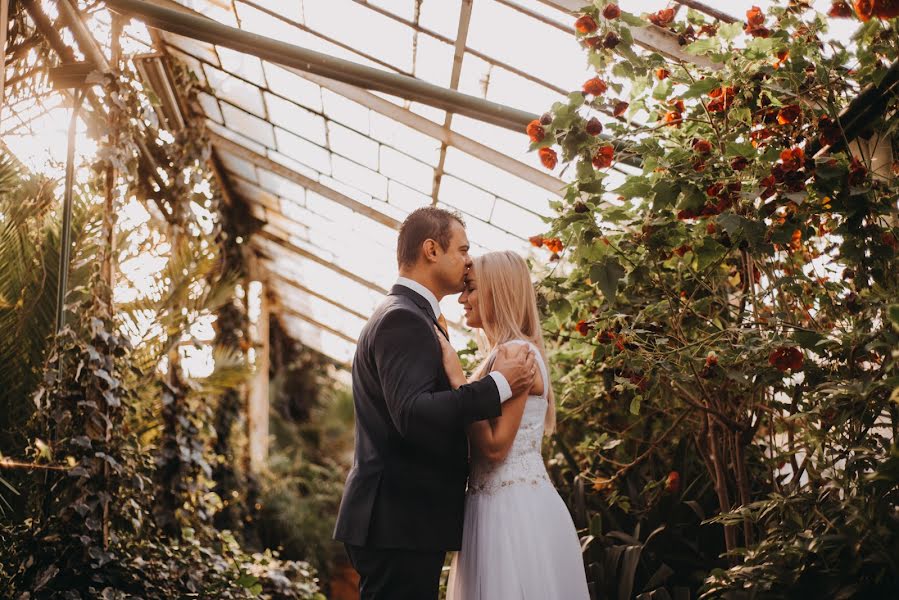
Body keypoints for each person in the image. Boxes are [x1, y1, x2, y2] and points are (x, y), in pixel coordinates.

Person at [333, 207, 537, 600]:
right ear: (431, 250)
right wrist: (497, 385)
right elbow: (413, 413)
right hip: (398, 521)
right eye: (462, 250)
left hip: (402, 520)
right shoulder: (403, 319)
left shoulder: (410, 315)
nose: (467, 262)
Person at [441, 250, 590, 600]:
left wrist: (457, 381)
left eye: (471, 288)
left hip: (510, 513)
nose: (463, 299)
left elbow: (495, 447)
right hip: (493, 504)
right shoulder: (502, 353)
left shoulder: (515, 355)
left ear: (498, 291)